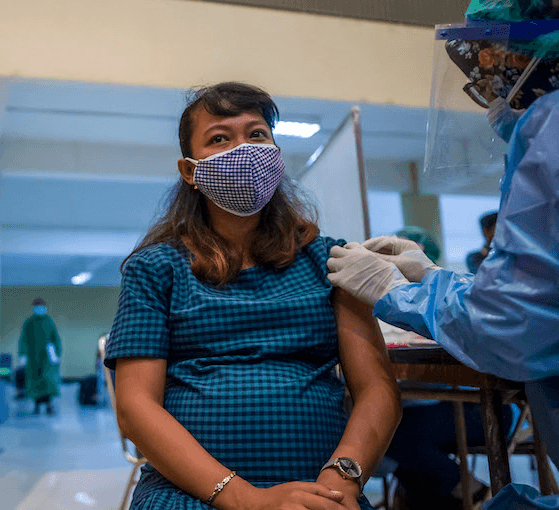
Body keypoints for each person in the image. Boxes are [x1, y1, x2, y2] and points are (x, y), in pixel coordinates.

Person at [105, 82, 401, 510]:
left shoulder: (333, 262)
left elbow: (377, 389)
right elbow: (135, 406)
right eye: (220, 138)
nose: (243, 149)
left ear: (276, 155)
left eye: (257, 134)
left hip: (320, 492)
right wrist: (246, 499)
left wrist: (341, 482)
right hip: (188, 491)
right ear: (190, 171)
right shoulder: (156, 268)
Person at [327, 1, 559, 505]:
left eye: (492, 58)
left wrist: (395, 291)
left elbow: (509, 324)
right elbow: (536, 301)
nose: (488, 78)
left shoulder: (552, 132)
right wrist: (429, 277)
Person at [378, 227, 510, 510]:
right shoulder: (394, 307)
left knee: (392, 431)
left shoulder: (448, 300)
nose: (397, 267)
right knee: (394, 433)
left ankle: (471, 489)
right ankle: (458, 493)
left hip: (489, 403)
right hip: (437, 408)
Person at [18, 297, 62, 415]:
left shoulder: (49, 321)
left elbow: (56, 339)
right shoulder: (29, 323)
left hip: (47, 357)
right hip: (33, 358)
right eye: (37, 306)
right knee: (34, 382)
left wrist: (57, 354)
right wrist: (22, 354)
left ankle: (49, 405)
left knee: (48, 380)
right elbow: (24, 339)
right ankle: (36, 406)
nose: (40, 309)